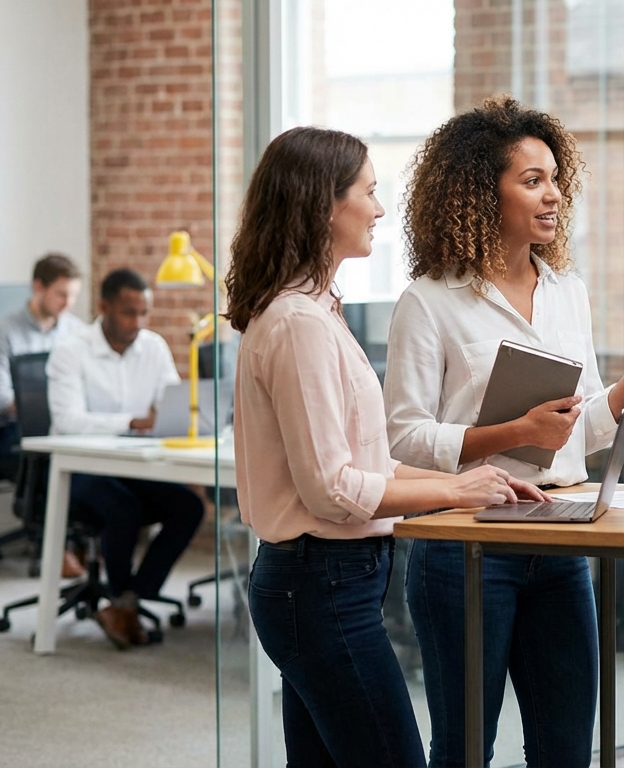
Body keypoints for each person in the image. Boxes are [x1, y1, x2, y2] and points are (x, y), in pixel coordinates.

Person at [384, 95, 624, 768]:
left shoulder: (568, 290)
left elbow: (581, 426)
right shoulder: (430, 301)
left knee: (565, 747)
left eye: (554, 179)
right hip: (467, 545)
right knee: (465, 746)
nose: (553, 195)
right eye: (531, 180)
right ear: (481, 193)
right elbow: (403, 439)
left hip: (560, 537)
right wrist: (508, 430)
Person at [225, 125, 546, 768]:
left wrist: (477, 481)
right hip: (320, 585)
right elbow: (333, 488)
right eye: (368, 193)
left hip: (325, 581)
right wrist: (456, 487)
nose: (379, 209)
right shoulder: (298, 324)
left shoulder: (315, 312)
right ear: (323, 205)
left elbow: (365, 463)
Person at [46, 268, 204, 648]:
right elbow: (67, 421)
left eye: (143, 313)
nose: (138, 323)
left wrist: (179, 420)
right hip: (79, 467)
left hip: (133, 463)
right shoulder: (70, 350)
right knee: (124, 509)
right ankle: (121, 602)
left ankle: (126, 601)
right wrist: (132, 421)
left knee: (188, 507)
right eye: (128, 313)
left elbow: (168, 404)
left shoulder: (152, 346)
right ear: (103, 308)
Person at [0, 253, 87, 577]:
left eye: (74, 296)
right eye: (61, 294)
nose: (68, 303)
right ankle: (56, 547)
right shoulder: (3, 332)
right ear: (38, 287)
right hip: (12, 433)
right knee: (53, 460)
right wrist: (44, 402)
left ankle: (92, 543)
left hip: (62, 426)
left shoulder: (76, 331)